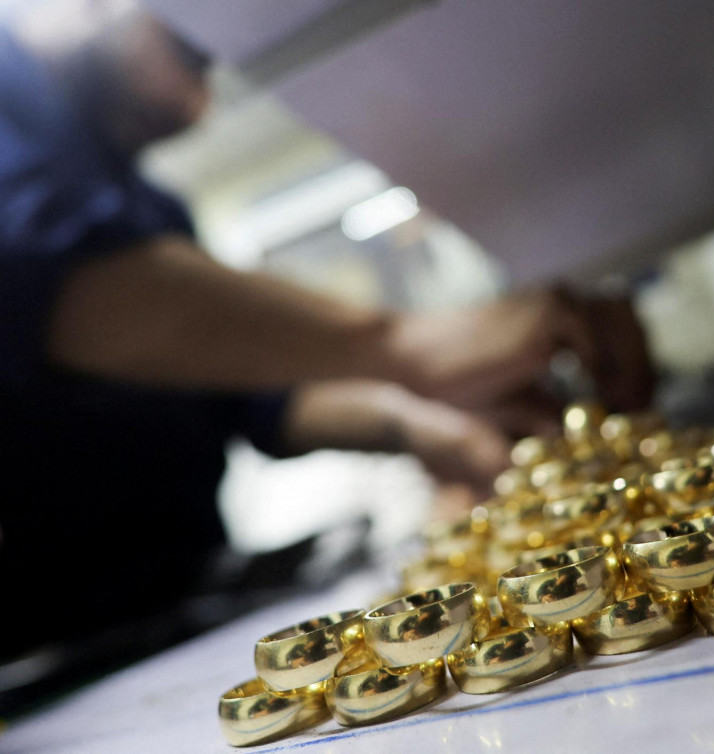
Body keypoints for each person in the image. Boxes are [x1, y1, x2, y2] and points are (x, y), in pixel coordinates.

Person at [0, 0, 653, 675]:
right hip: (33, 644)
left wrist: (417, 422)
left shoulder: (152, 211)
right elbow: (33, 271)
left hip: (172, 608)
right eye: (190, 53)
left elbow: (256, 401)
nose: (197, 108)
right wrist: (406, 344)